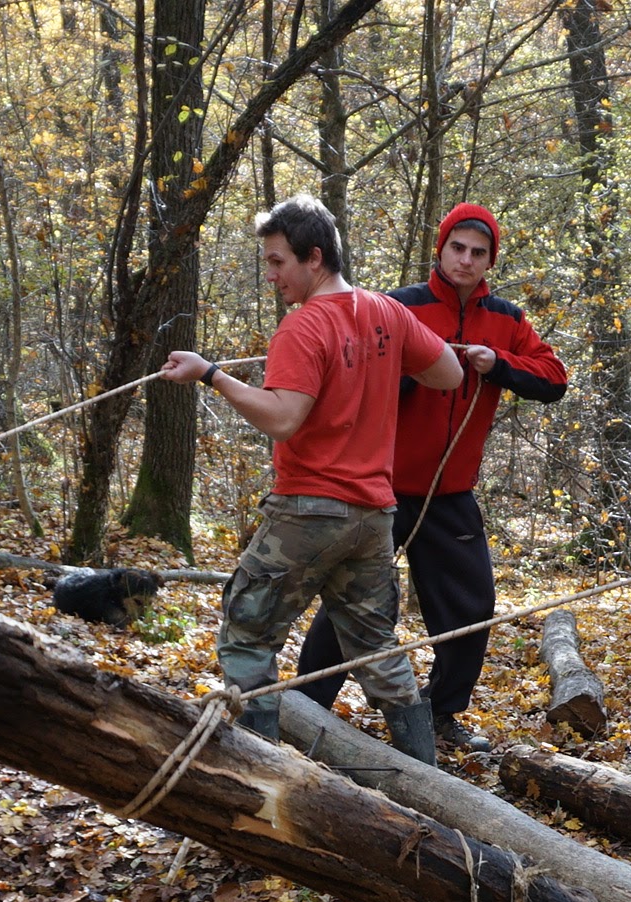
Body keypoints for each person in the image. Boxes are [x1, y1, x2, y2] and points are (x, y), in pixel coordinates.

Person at [160, 196, 464, 761]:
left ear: (314, 257)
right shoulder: (389, 313)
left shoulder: (303, 328)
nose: (271, 274)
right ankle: (427, 775)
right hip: (373, 517)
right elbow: (448, 372)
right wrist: (387, 359)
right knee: (376, 647)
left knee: (246, 633)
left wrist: (212, 375)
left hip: (309, 511)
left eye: (278, 262)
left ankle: (260, 780)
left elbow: (282, 418)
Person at [295, 203, 569, 749]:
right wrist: (425, 364)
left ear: (491, 260)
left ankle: (441, 715)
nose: (466, 260)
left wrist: (499, 364)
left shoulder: (508, 320)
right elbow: (356, 379)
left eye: (478, 252)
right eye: (457, 248)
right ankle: (306, 708)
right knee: (355, 602)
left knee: (471, 607)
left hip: (451, 493)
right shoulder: (399, 307)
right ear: (439, 249)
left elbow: (554, 378)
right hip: (382, 487)